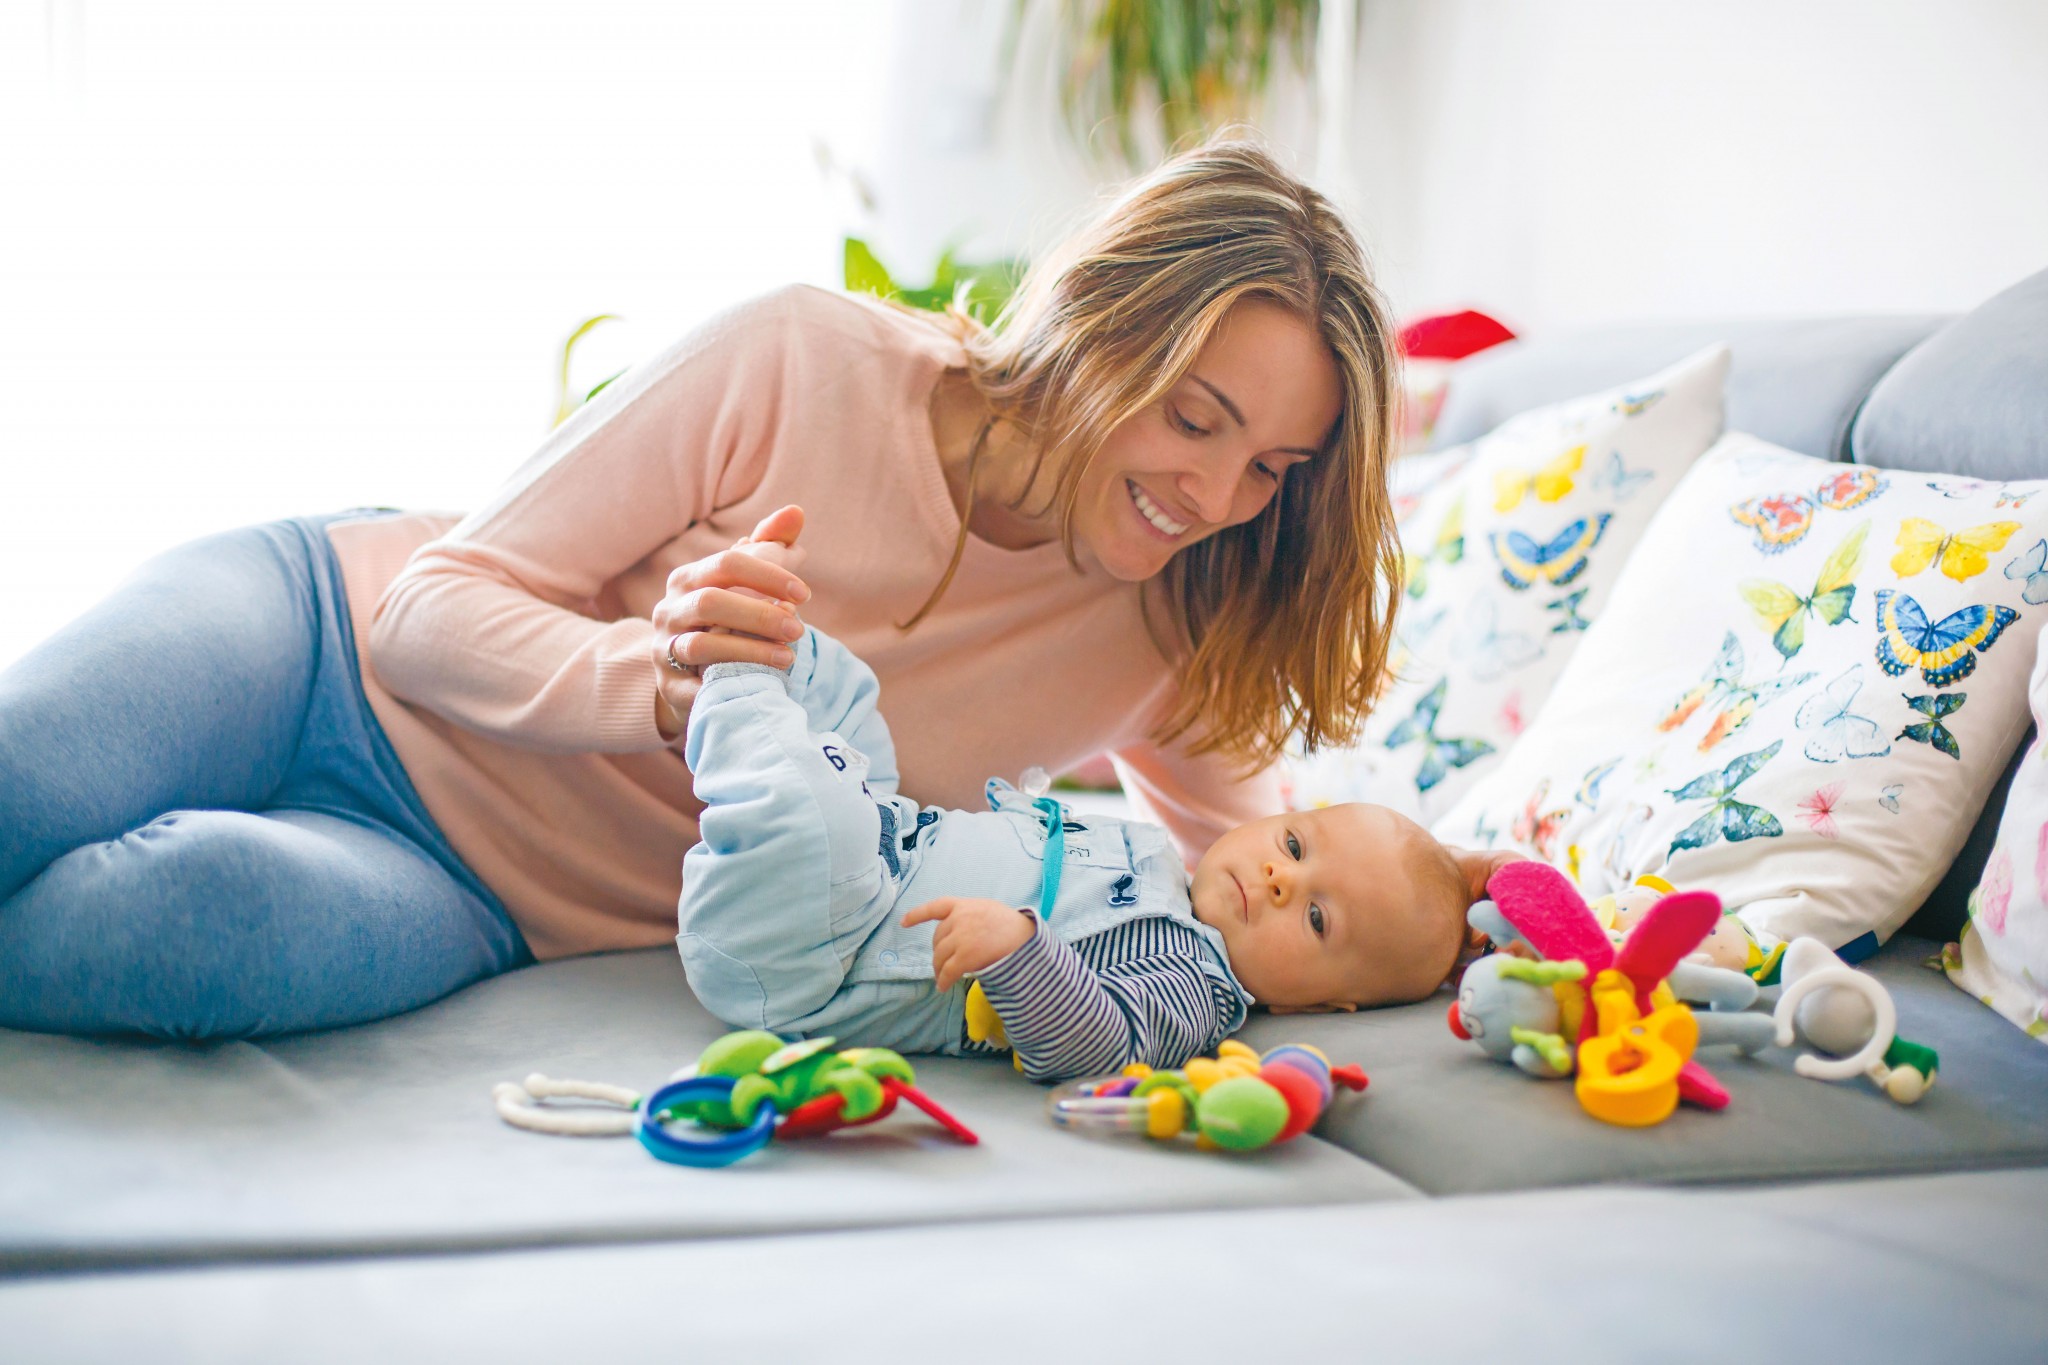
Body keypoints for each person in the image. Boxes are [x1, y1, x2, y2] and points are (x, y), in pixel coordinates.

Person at [0, 136, 1404, 1039]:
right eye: (1194, 419)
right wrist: (659, 684)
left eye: (1272, 468)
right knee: (22, 779)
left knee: (185, 918)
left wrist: (1479, 902)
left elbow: (1296, 874)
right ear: (1102, 325)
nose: (1212, 498)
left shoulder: (1176, 625)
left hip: (479, 891)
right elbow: (427, 613)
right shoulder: (806, 360)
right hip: (322, 634)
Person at [680, 601, 1512, 1083]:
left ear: (1314, 1007)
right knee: (841, 690)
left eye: (1318, 918)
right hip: (880, 849)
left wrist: (1019, 952)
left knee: (812, 809)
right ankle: (755, 631)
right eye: (1295, 845)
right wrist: (1468, 872)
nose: (1279, 878)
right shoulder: (1160, 860)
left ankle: (734, 688)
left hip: (820, 955)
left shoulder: (1196, 986)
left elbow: (1104, 1043)